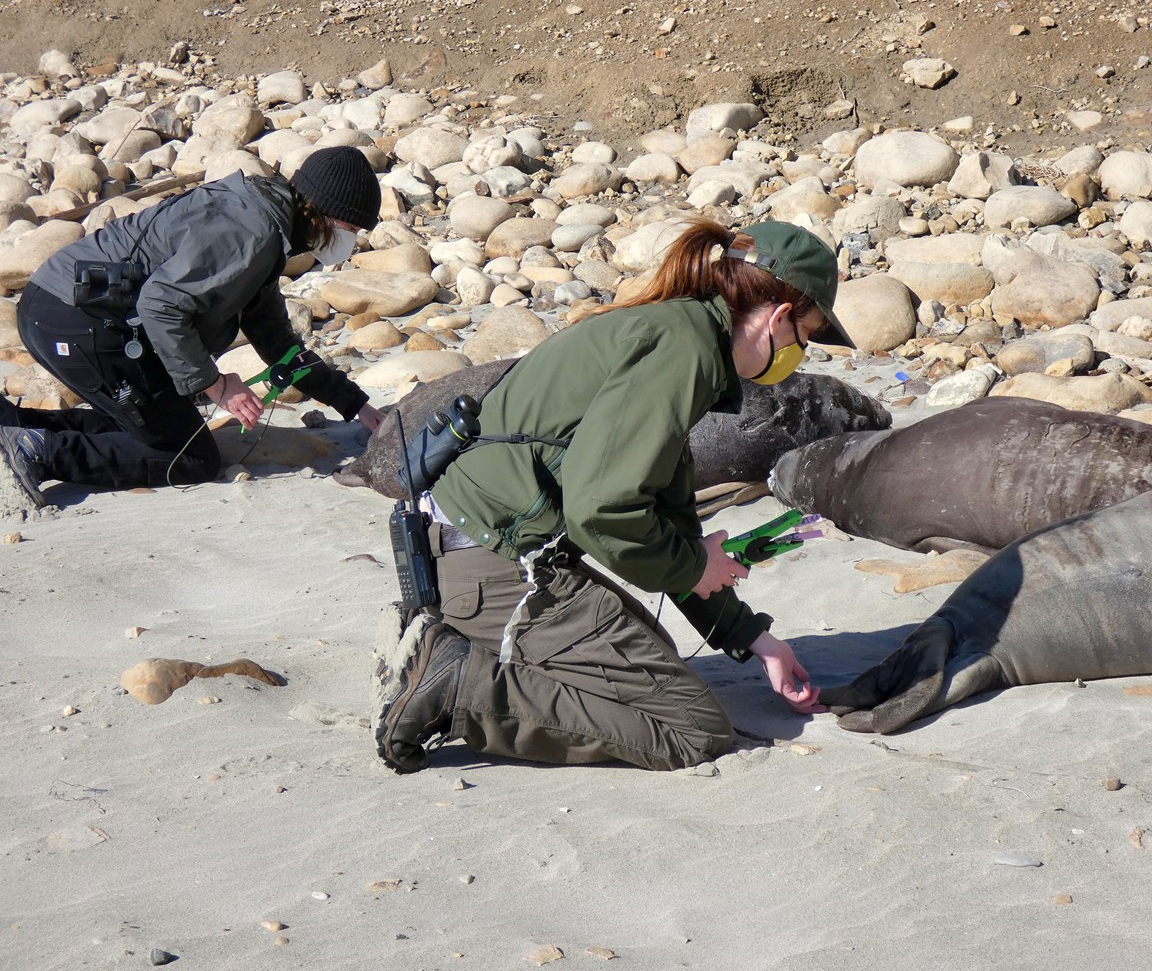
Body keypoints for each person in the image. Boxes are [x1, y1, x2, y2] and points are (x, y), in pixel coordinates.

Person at [373, 219, 857, 773]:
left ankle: (460, 648)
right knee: (690, 729)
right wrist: (694, 566)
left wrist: (754, 639)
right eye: (805, 336)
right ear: (776, 317)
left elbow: (665, 518)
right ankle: (457, 687)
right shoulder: (685, 350)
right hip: (495, 562)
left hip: (478, 553)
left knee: (656, 661)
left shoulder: (673, 330)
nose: (799, 354)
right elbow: (601, 509)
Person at [0, 146, 386, 512]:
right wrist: (214, 384)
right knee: (189, 457)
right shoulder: (253, 233)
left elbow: (276, 338)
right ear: (320, 213)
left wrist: (354, 404)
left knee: (150, 425)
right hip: (75, 320)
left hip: (62, 307)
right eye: (350, 227)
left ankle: (12, 427)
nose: (351, 241)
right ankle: (40, 451)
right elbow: (161, 305)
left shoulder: (265, 221)